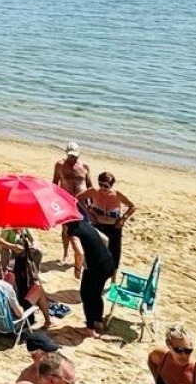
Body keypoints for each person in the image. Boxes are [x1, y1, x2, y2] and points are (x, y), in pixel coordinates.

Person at [80, 171, 137, 274]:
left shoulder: (117, 194)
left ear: (111, 185)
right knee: (94, 251)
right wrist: (89, 214)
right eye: (100, 184)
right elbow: (79, 198)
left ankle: (113, 278)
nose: (103, 188)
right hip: (98, 225)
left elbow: (132, 207)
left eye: (106, 186)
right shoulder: (94, 191)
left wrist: (123, 219)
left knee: (114, 253)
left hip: (113, 227)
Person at [74, 216, 116, 335]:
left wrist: (77, 269)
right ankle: (98, 322)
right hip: (108, 263)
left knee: (86, 295)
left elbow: (79, 253)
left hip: (95, 268)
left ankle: (89, 329)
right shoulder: (86, 224)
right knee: (96, 294)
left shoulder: (73, 233)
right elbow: (106, 239)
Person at [53, 142, 90, 273]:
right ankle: (65, 254)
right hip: (66, 201)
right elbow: (55, 182)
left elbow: (89, 184)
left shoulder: (84, 166)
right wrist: (54, 200)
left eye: (75, 156)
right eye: (70, 156)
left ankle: (81, 255)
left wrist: (92, 201)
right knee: (66, 229)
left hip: (82, 202)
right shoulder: (60, 165)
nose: (73, 158)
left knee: (84, 229)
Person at [11, 242, 54, 328]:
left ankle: (48, 320)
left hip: (4, 312)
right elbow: (35, 283)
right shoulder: (27, 269)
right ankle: (48, 321)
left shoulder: (8, 273)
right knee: (38, 290)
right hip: (18, 318)